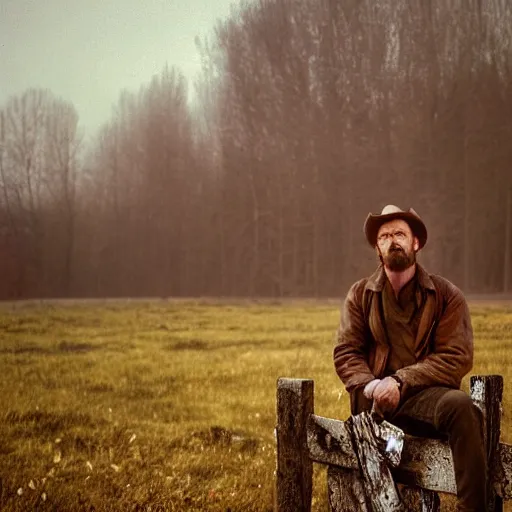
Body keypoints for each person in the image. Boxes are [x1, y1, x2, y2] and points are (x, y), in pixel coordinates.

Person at [333, 204, 486, 512]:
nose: (393, 240)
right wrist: (372, 386)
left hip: (426, 400)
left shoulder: (446, 295)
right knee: (376, 481)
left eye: (400, 233)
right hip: (377, 408)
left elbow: (456, 355)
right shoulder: (360, 294)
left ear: (416, 242)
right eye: (385, 235)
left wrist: (401, 381)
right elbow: (346, 352)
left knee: (463, 408)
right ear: (377, 247)